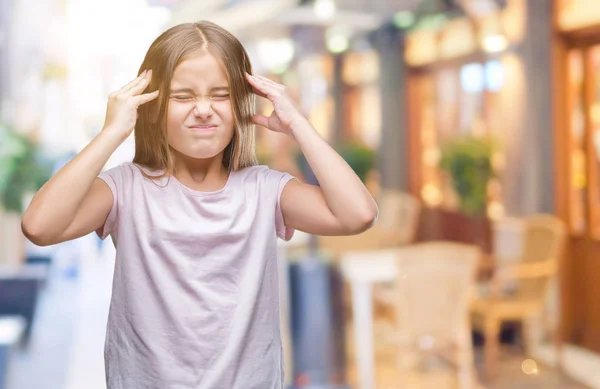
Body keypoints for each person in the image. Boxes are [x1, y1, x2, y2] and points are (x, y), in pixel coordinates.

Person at [21, 21, 378, 389]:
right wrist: (111, 132)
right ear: (154, 107)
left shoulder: (264, 189)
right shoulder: (126, 188)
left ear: (240, 104)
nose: (204, 109)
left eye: (220, 95)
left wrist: (298, 124)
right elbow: (40, 226)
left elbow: (358, 214)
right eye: (183, 96)